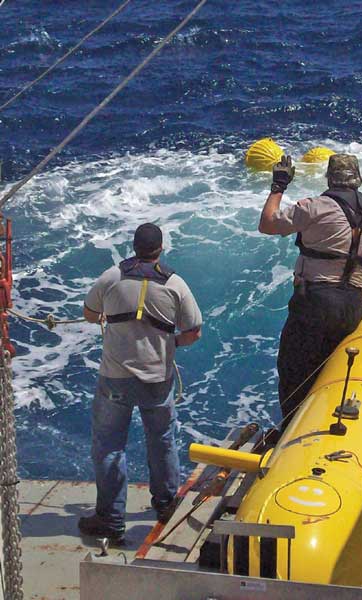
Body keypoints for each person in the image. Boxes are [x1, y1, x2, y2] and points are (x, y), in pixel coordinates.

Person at [258, 153, 362, 425]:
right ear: (358, 179)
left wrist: (278, 186)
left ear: (330, 178)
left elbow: (267, 224)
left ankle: (292, 433)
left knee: (295, 373)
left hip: (315, 304)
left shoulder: (315, 207)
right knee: (331, 371)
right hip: (353, 307)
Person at [78, 223, 202, 543]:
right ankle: (164, 504)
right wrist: (170, 343)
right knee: (161, 440)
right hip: (157, 377)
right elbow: (193, 331)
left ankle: (110, 517)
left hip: (116, 377)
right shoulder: (175, 283)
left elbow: (90, 314)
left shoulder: (111, 276)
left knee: (109, 444)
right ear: (161, 249)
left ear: (133, 247)